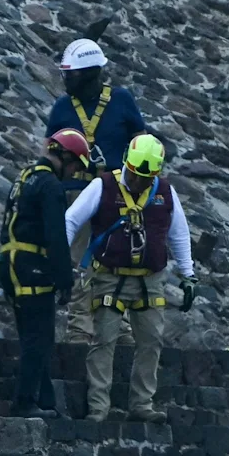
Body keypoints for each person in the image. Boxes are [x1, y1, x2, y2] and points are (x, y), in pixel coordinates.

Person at [65, 134, 197, 423]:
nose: (139, 183)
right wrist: (63, 259)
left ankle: (142, 404)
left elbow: (179, 233)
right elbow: (71, 220)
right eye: (136, 176)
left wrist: (188, 275)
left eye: (146, 179)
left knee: (151, 341)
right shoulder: (102, 186)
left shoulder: (165, 192)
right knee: (104, 340)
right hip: (108, 277)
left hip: (150, 280)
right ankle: (98, 407)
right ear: (128, 164)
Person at [46, 39, 147, 344]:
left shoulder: (122, 100)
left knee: (117, 262)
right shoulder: (62, 107)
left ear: (90, 73)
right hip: (75, 192)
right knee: (79, 262)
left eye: (71, 74)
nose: (66, 80)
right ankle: (79, 331)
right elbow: (50, 154)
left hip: (115, 194)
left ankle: (120, 331)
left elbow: (140, 144)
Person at [0, 129, 91, 418]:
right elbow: (56, 236)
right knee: (38, 337)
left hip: (10, 261)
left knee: (33, 335)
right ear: (66, 156)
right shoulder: (50, 186)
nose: (73, 173)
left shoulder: (25, 176)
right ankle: (24, 402)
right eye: (75, 165)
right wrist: (64, 280)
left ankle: (46, 401)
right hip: (32, 266)